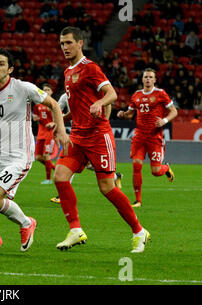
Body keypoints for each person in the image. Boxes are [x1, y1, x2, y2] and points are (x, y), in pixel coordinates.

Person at [0, 48, 70, 254]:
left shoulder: (23, 88)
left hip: (19, 156)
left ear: (10, 69)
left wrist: (60, 128)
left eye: (1, 64)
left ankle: (26, 223)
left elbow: (53, 104)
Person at [53, 27, 150, 253]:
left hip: (98, 136)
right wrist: (62, 120)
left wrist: (100, 103)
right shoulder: (68, 72)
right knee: (60, 176)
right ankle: (75, 230)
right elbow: (79, 107)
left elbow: (112, 93)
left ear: (79, 43)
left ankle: (138, 230)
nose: (65, 48)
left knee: (107, 188)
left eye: (68, 43)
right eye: (62, 44)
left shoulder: (90, 68)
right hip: (77, 135)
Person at [117, 68, 177, 207]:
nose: (148, 79)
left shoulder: (160, 94)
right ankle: (138, 200)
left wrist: (164, 121)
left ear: (155, 80)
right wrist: (123, 114)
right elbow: (130, 114)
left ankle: (166, 169)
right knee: (136, 165)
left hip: (155, 137)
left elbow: (174, 111)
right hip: (139, 136)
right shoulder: (136, 95)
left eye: (151, 77)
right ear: (142, 79)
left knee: (156, 171)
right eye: (146, 77)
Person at [50, 92, 123, 204]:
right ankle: (62, 195)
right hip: (77, 133)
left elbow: (108, 103)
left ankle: (114, 176)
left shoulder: (90, 92)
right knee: (70, 164)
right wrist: (57, 122)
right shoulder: (65, 96)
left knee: (94, 167)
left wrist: (105, 121)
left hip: (95, 135)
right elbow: (57, 109)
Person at [32, 83, 56, 185]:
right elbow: (35, 116)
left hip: (50, 133)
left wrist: (53, 123)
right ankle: (56, 168)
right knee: (38, 157)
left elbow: (60, 118)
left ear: (51, 92)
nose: (46, 91)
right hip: (41, 132)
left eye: (48, 90)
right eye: (44, 90)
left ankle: (49, 179)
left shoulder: (54, 104)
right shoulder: (38, 105)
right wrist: (35, 118)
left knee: (46, 156)